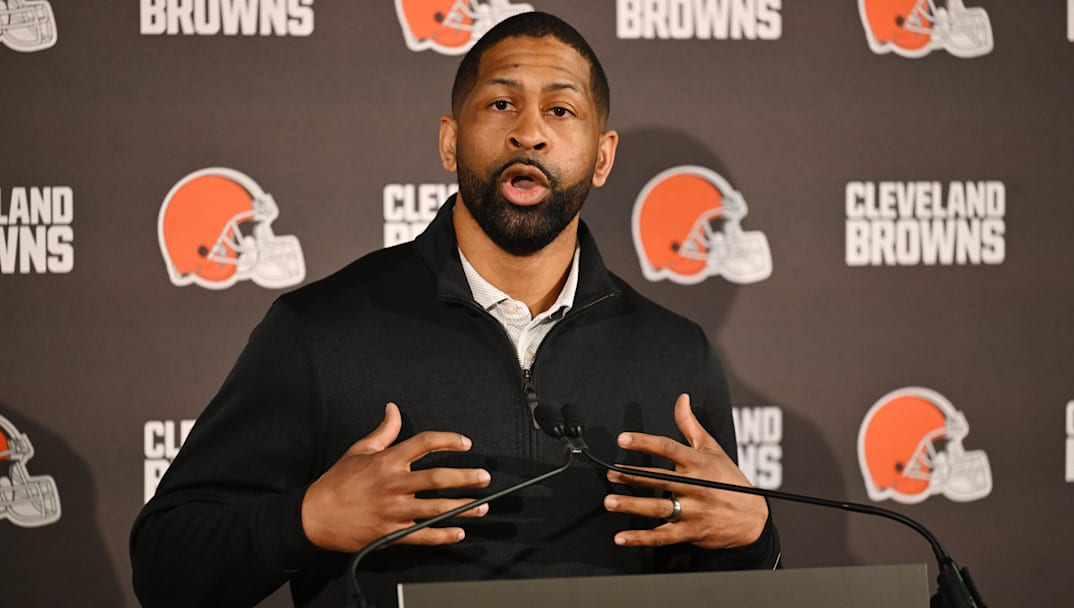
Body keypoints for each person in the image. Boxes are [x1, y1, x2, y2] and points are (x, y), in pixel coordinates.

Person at [130, 11, 781, 608]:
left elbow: (737, 590)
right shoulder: (321, 332)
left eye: (560, 110)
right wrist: (306, 520)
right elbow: (166, 567)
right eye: (501, 104)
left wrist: (754, 538)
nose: (529, 132)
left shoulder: (676, 355)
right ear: (450, 142)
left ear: (602, 156)